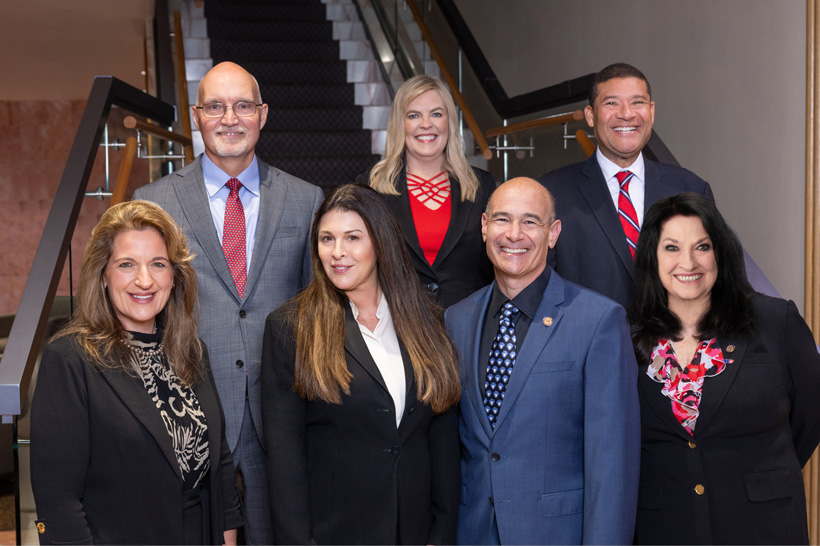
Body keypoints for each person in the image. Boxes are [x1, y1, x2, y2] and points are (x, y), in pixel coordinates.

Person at [134, 61, 324, 543]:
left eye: (242, 106)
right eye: (215, 106)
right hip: (188, 413)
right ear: (197, 116)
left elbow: (318, 313)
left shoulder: (306, 201)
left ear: (263, 115)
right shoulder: (156, 203)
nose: (230, 118)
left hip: (280, 415)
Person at [30, 201, 242, 545]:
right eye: (126, 264)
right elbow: (58, 504)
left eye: (157, 264)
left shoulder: (192, 350)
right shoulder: (69, 360)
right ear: (103, 275)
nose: (144, 280)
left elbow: (218, 464)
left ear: (174, 277)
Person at [261, 184, 461, 545]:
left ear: (380, 244)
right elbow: (284, 463)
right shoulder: (291, 328)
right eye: (326, 239)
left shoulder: (427, 320)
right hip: (336, 534)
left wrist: (443, 532)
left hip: (417, 533)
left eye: (353, 237)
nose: (337, 253)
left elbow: (441, 440)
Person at [445, 177, 640, 545]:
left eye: (530, 222)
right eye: (502, 220)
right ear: (485, 227)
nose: (514, 234)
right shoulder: (456, 320)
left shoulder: (598, 321)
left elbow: (612, 465)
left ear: (553, 233)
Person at [629, 192, 820, 545]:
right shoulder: (625, 337)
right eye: (671, 248)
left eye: (702, 247)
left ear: (721, 252)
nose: (688, 262)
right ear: (651, 259)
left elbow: (810, 416)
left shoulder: (776, 321)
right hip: (666, 527)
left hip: (762, 525)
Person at [539, 62, 713, 308]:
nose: (626, 113)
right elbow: (539, 285)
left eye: (637, 102)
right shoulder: (552, 191)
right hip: (588, 343)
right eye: (611, 103)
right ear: (590, 115)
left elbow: (711, 279)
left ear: (651, 112)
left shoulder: (691, 188)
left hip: (672, 342)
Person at [357, 74, 495, 308]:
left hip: (467, 326)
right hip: (398, 325)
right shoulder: (370, 186)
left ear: (448, 122)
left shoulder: (483, 185)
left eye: (436, 114)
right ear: (400, 124)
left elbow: (495, 263)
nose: (426, 124)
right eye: (413, 115)